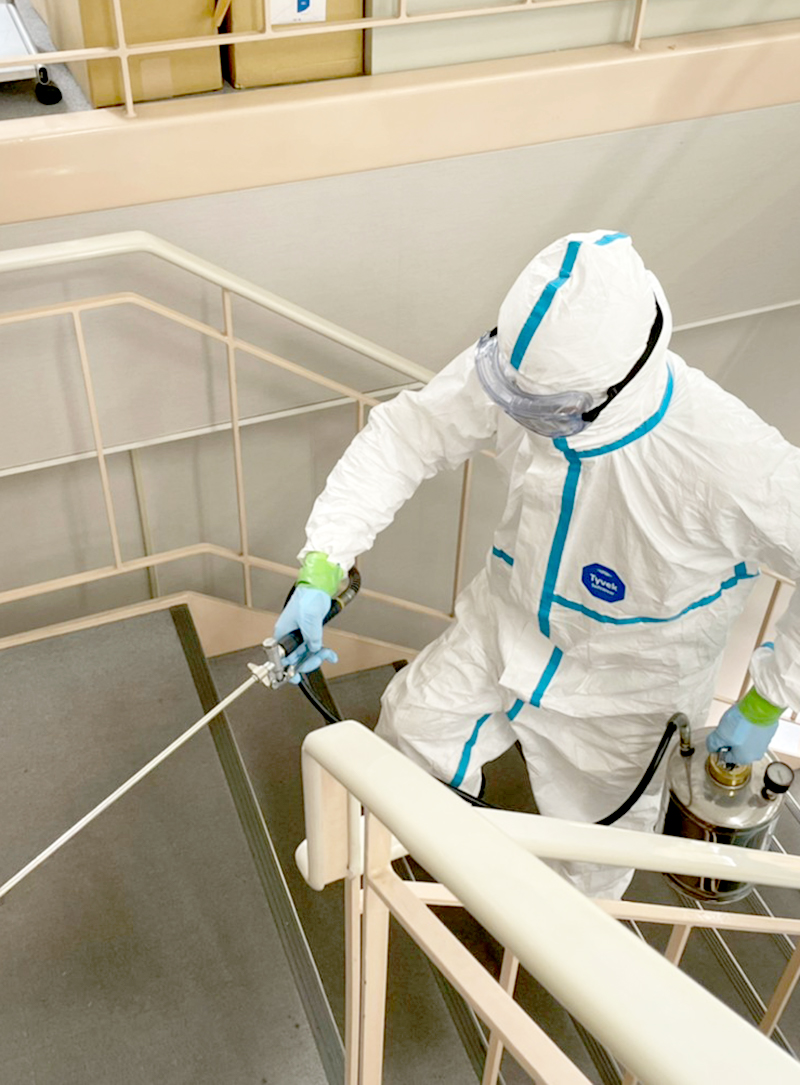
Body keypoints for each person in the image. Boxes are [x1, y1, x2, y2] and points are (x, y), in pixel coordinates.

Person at [274, 230, 800, 899]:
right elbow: (408, 436)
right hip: (506, 620)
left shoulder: (727, 458)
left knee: (589, 857)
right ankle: (416, 869)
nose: (520, 417)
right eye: (512, 396)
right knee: (412, 729)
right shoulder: (531, 374)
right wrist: (325, 562)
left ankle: (539, 951)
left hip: (627, 692)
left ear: (610, 392)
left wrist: (765, 700)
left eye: (542, 411)